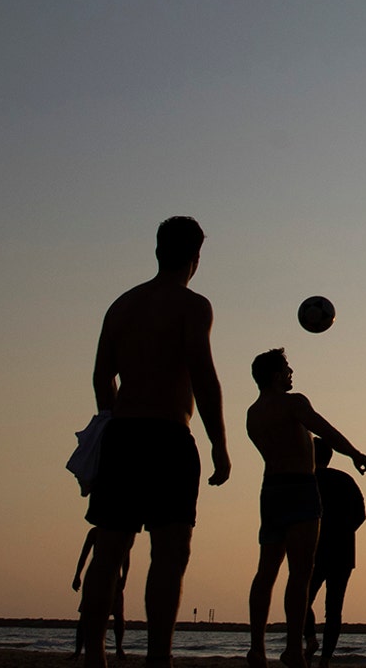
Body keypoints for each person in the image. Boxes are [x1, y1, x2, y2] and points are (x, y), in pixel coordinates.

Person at [81, 216, 232, 668]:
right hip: (167, 435)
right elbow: (203, 377)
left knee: (109, 550)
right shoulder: (192, 305)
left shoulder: (122, 305)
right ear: (195, 258)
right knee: (169, 551)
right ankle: (158, 656)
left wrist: (112, 418)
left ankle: (95, 656)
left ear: (157, 251)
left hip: (124, 436)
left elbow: (100, 375)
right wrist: (219, 444)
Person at [245, 348, 366, 668]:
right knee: (300, 573)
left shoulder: (253, 413)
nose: (292, 374)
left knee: (266, 571)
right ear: (277, 375)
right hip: (300, 488)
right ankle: (292, 648)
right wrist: (355, 453)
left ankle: (257, 647)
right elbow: (323, 429)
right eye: (287, 369)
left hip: (271, 489)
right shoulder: (294, 403)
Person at [304, 438, 366, 668]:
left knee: (302, 599)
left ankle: (310, 639)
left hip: (316, 550)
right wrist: (345, 532)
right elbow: (361, 514)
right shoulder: (345, 480)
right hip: (344, 551)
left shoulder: (308, 480)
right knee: (334, 609)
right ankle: (326, 660)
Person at [72, 527, 127, 660]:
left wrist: (124, 578)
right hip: (96, 577)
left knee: (118, 616)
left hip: (114, 578)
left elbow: (126, 557)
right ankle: (78, 650)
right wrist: (77, 575)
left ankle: (119, 648)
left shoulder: (120, 531)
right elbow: (84, 554)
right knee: (84, 617)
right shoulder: (95, 532)